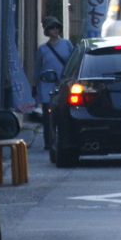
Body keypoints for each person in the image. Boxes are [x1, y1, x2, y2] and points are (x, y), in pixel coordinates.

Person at [33, 17, 74, 150]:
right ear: (47, 30)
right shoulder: (42, 49)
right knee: (48, 116)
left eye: (57, 27)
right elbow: (37, 69)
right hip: (46, 85)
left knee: (63, 113)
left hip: (64, 84)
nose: (55, 29)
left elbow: (73, 64)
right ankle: (49, 142)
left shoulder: (67, 44)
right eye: (52, 27)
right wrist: (34, 87)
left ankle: (64, 140)